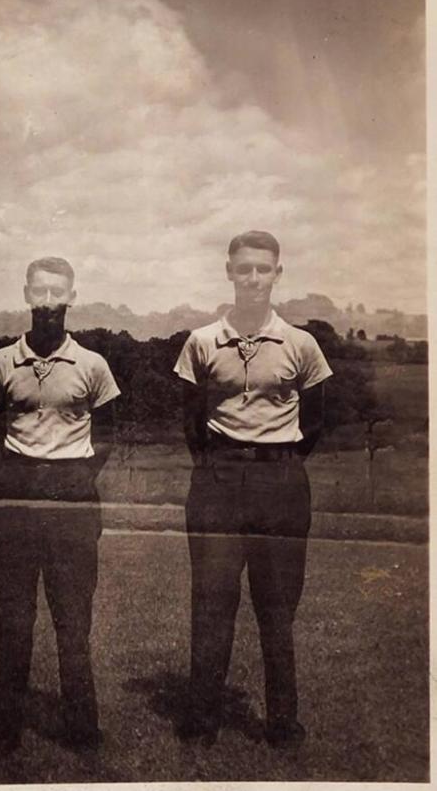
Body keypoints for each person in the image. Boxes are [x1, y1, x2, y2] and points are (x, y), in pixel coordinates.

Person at [173, 231, 332, 749]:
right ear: (229, 272)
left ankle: (282, 722)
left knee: (277, 606)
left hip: (281, 484)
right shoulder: (200, 342)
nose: (254, 278)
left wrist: (275, 462)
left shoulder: (301, 344)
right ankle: (202, 722)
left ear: (278, 274)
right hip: (217, 482)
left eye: (264, 269)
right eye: (245, 268)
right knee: (212, 601)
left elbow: (315, 421)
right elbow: (192, 420)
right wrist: (223, 464)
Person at [0, 256, 120, 754]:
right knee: (13, 617)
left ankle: (82, 730)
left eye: (58, 294)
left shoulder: (92, 365)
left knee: (72, 620)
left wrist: (74, 478)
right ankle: (5, 729)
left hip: (72, 503)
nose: (49, 303)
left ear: (71, 299)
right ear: (26, 295)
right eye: (40, 292)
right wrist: (15, 479)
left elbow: (107, 435)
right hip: (14, 500)